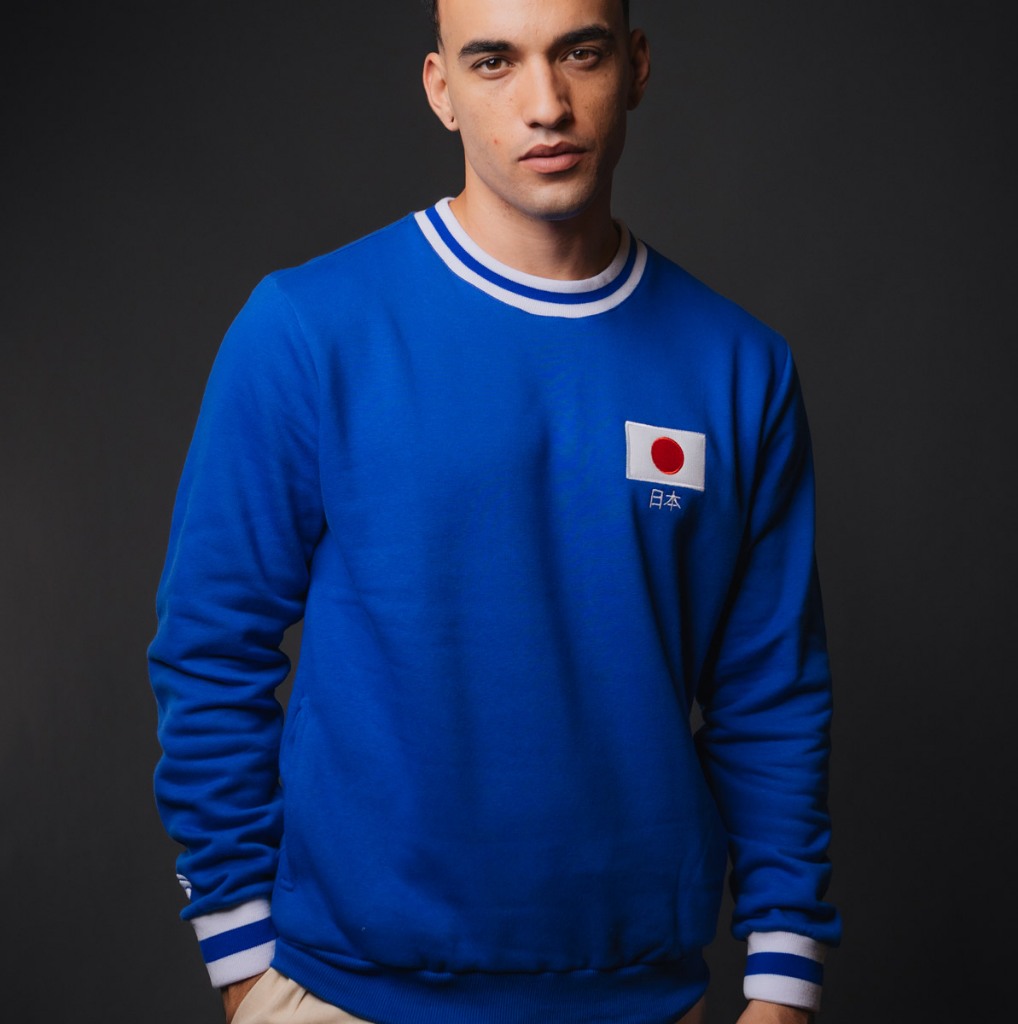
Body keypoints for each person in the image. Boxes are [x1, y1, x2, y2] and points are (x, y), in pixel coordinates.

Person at [148, 1, 841, 1022]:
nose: (544, 103)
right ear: (441, 89)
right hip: (345, 993)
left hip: (641, 997)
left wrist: (783, 983)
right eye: (494, 62)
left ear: (635, 66)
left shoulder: (738, 366)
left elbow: (770, 691)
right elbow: (210, 645)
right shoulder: (306, 329)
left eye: (580, 54)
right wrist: (244, 961)